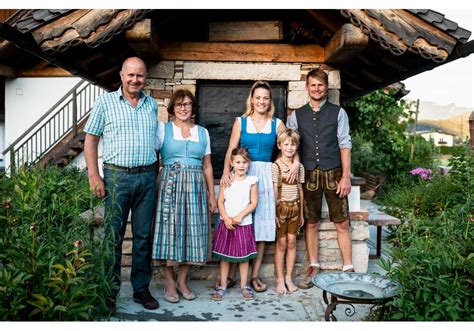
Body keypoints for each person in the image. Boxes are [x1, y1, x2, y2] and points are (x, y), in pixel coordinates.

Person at [84, 56, 159, 310]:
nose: (135, 80)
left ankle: (141, 289)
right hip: (117, 177)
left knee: (143, 237)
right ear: (121, 75)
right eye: (131, 75)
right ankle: (110, 290)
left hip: (147, 177)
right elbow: (91, 140)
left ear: (145, 78)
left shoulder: (152, 105)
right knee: (113, 238)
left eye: (140, 75)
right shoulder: (105, 103)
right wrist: (94, 176)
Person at [221, 80, 298, 293]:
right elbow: (231, 149)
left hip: (265, 175)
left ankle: (254, 275)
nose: (262, 101)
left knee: (262, 226)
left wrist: (297, 163)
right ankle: (231, 275)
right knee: (239, 220)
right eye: (258, 98)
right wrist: (226, 171)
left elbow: (291, 146)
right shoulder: (241, 121)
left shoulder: (277, 124)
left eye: (266, 98)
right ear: (252, 100)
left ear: (270, 101)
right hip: (242, 174)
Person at [287, 68, 354, 290]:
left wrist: (346, 176)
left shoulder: (338, 112)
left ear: (326, 87)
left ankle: (348, 267)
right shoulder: (296, 115)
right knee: (311, 223)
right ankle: (313, 265)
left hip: (334, 172)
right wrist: (295, 165)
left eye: (320, 85)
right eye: (312, 84)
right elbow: (291, 145)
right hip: (308, 175)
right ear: (307, 87)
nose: (316, 89)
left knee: (342, 222)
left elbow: (345, 144)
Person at [152, 89, 217, 303]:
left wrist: (212, 195)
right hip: (170, 185)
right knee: (169, 233)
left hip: (196, 187)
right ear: (172, 108)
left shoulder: (203, 132)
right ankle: (169, 283)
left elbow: (207, 166)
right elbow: (154, 161)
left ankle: (182, 280)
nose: (183, 108)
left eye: (187, 104)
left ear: (193, 108)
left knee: (194, 232)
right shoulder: (163, 130)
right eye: (179, 104)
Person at [212, 147, 258, 301]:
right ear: (232, 162)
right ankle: (223, 285)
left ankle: (244, 286)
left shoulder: (251, 181)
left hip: (244, 224)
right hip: (227, 224)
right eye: (238, 162)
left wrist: (240, 215)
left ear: (248, 163)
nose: (241, 165)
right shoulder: (227, 180)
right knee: (225, 257)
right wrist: (225, 217)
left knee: (244, 258)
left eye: (244, 162)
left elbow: (254, 203)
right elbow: (220, 201)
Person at [272, 129, 305, 294]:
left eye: (293, 144)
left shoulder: (300, 168)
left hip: (295, 208)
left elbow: (300, 189)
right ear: (279, 146)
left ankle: (288, 277)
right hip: (281, 208)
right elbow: (274, 190)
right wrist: (274, 213)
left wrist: (302, 213)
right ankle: (279, 279)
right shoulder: (276, 166)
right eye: (286, 144)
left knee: (292, 243)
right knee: (282, 243)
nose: (289, 148)